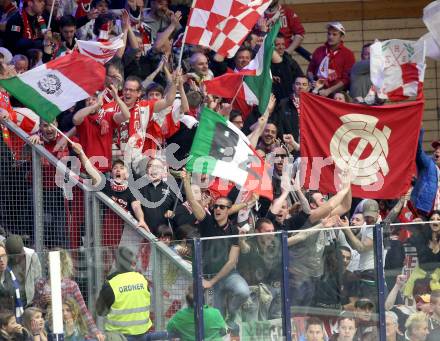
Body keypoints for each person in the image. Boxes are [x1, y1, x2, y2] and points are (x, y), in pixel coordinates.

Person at [182, 169, 250, 334]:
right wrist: (186, 179)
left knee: (243, 292)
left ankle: (232, 316)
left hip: (228, 275)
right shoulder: (206, 222)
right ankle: (222, 328)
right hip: (209, 277)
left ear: (228, 210)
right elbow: (192, 201)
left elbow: (232, 261)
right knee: (217, 323)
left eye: (221, 207)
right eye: (215, 206)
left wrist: (212, 283)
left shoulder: (234, 229)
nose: (217, 209)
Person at [32, 249, 103, 341]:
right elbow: (34, 310)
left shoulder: (71, 285)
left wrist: (95, 331)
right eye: (48, 261)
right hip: (46, 329)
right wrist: (43, 301)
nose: (48, 263)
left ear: (61, 263)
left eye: (51, 261)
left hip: (67, 328)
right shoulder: (40, 283)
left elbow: (83, 310)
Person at [96, 246, 162, 341]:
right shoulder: (142, 279)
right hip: (143, 334)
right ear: (131, 262)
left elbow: (100, 311)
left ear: (117, 263)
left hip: (118, 336)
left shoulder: (111, 284)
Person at [238, 218, 282, 321]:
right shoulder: (251, 243)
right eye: (267, 231)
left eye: (273, 231)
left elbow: (297, 238)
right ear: (257, 232)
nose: (271, 234)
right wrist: (241, 240)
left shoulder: (275, 243)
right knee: (253, 324)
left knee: (275, 322)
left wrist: (320, 226)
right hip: (252, 292)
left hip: (272, 289)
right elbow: (245, 248)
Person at [307, 22, 355, 97]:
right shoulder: (319, 50)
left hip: (337, 95)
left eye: (334, 34)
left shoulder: (348, 54)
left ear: (342, 37)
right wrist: (312, 81)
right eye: (329, 34)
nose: (330, 37)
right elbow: (310, 70)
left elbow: (346, 79)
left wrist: (329, 91)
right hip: (317, 92)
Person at [4, 235, 41, 306]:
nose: (16, 259)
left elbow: (38, 280)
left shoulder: (32, 256)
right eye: (13, 256)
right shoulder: (4, 257)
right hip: (11, 302)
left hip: (31, 302)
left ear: (22, 250)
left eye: (18, 255)